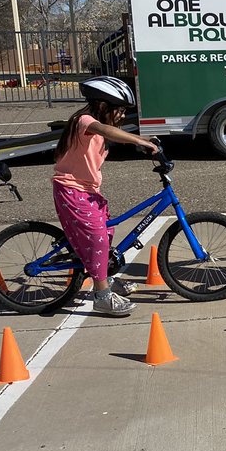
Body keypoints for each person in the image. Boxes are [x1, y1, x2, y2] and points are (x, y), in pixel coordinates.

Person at [53, 76, 158, 317]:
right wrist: (140, 140)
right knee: (97, 239)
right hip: (71, 190)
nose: (121, 115)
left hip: (88, 191)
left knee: (107, 233)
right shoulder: (85, 121)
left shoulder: (94, 124)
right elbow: (106, 130)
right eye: (119, 110)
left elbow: (112, 135)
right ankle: (101, 296)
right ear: (103, 105)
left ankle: (106, 279)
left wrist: (142, 144)